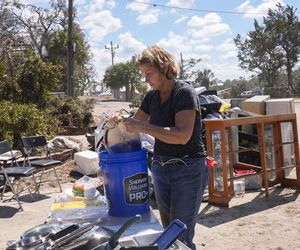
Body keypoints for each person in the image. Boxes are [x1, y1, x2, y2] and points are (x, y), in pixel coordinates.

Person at [124, 45, 208, 249]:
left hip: (187, 169)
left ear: (164, 67)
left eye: (149, 74)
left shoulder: (184, 93)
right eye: (143, 74)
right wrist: (120, 123)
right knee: (167, 236)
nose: (145, 80)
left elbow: (181, 136)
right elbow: (132, 126)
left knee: (180, 237)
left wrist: (144, 126)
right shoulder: (152, 96)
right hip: (161, 168)